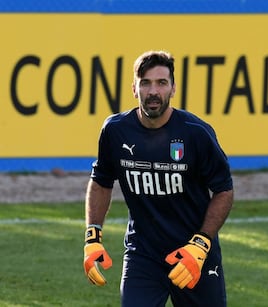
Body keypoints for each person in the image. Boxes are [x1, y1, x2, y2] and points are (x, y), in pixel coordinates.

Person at [83, 50, 234, 307]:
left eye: (162, 83)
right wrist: (92, 236)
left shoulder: (196, 133)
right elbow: (101, 181)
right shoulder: (115, 130)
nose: (153, 91)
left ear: (173, 88)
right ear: (134, 88)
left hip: (194, 254)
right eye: (146, 83)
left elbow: (224, 191)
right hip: (143, 255)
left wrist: (201, 244)